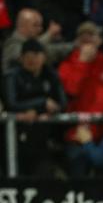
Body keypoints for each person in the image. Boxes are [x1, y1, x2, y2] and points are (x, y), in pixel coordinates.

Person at [1, 39, 66, 177]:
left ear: (43, 57)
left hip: (44, 139)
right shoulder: (13, 76)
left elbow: (62, 103)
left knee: (43, 174)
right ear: (21, 58)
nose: (32, 60)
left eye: (36, 56)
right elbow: (11, 104)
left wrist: (46, 112)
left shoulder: (51, 75)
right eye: (28, 56)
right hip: (17, 137)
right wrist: (41, 104)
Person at [58, 22, 103, 145]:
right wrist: (82, 63)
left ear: (99, 40)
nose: (87, 39)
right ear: (77, 42)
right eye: (83, 36)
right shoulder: (67, 65)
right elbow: (71, 91)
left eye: (91, 35)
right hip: (78, 131)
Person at [2, 8, 70, 71]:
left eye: (40, 25)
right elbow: (28, 53)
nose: (40, 29)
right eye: (35, 25)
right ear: (22, 25)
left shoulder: (37, 41)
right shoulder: (11, 43)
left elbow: (54, 50)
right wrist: (49, 35)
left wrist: (75, 45)